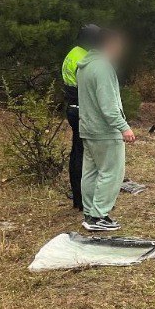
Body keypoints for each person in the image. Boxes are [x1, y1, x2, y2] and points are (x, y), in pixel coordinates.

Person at [77, 29, 135, 231]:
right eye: (118, 44)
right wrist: (123, 127)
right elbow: (108, 105)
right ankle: (99, 215)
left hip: (88, 128)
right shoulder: (102, 67)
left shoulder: (85, 66)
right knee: (111, 172)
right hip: (105, 130)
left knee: (91, 172)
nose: (120, 49)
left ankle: (89, 213)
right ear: (109, 44)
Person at [60, 24, 100, 211]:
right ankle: (84, 199)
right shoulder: (85, 58)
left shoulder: (72, 53)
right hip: (83, 109)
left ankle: (78, 198)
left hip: (72, 107)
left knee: (76, 152)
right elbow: (91, 86)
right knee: (86, 155)